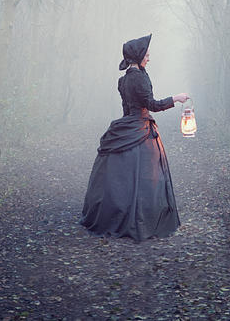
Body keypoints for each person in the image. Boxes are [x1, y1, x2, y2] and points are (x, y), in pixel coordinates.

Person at [80, 33, 189, 242]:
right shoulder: (139, 77)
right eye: (146, 54)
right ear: (138, 56)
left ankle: (120, 214)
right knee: (149, 177)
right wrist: (176, 98)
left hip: (130, 126)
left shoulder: (124, 80)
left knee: (124, 178)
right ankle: (144, 219)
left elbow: (126, 110)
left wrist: (124, 132)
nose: (149, 57)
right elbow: (153, 105)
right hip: (141, 130)